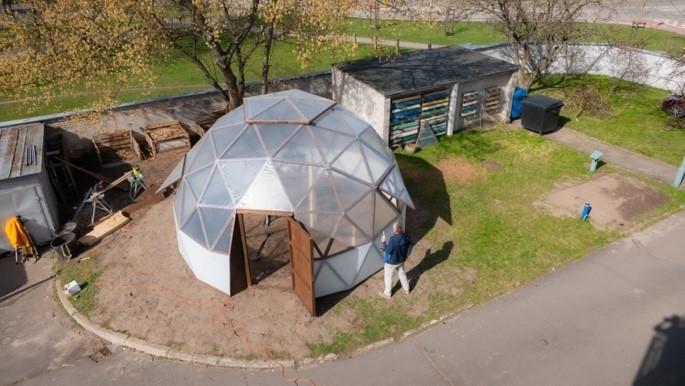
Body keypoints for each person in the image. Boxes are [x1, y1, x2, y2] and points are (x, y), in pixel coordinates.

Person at [380, 222, 412, 298]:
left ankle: (387, 293)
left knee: (388, 277)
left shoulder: (393, 239)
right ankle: (407, 289)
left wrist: (383, 242)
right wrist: (406, 255)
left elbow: (388, 251)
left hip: (391, 263)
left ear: (395, 230)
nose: (393, 230)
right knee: (402, 274)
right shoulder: (405, 237)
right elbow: (410, 245)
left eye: (393, 228)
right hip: (401, 261)